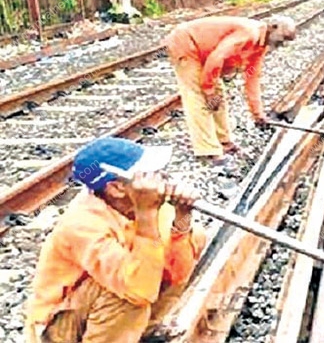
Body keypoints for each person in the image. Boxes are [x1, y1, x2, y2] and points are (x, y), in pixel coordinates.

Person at [25, 137, 207, 343]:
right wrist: (146, 214)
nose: (161, 179)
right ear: (116, 188)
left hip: (108, 313)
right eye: (149, 174)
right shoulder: (82, 225)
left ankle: (142, 332)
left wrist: (182, 219)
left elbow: (177, 274)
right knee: (127, 292)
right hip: (63, 330)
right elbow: (138, 290)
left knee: (191, 237)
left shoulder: (144, 204)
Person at [164, 15, 297, 165]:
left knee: (218, 96)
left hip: (203, 53)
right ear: (273, 27)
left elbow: (252, 78)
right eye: (283, 38)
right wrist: (208, 90)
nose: (282, 44)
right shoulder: (249, 33)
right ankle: (208, 151)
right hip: (186, 44)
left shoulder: (260, 47)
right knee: (198, 97)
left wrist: (258, 114)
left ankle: (224, 142)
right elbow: (217, 58)